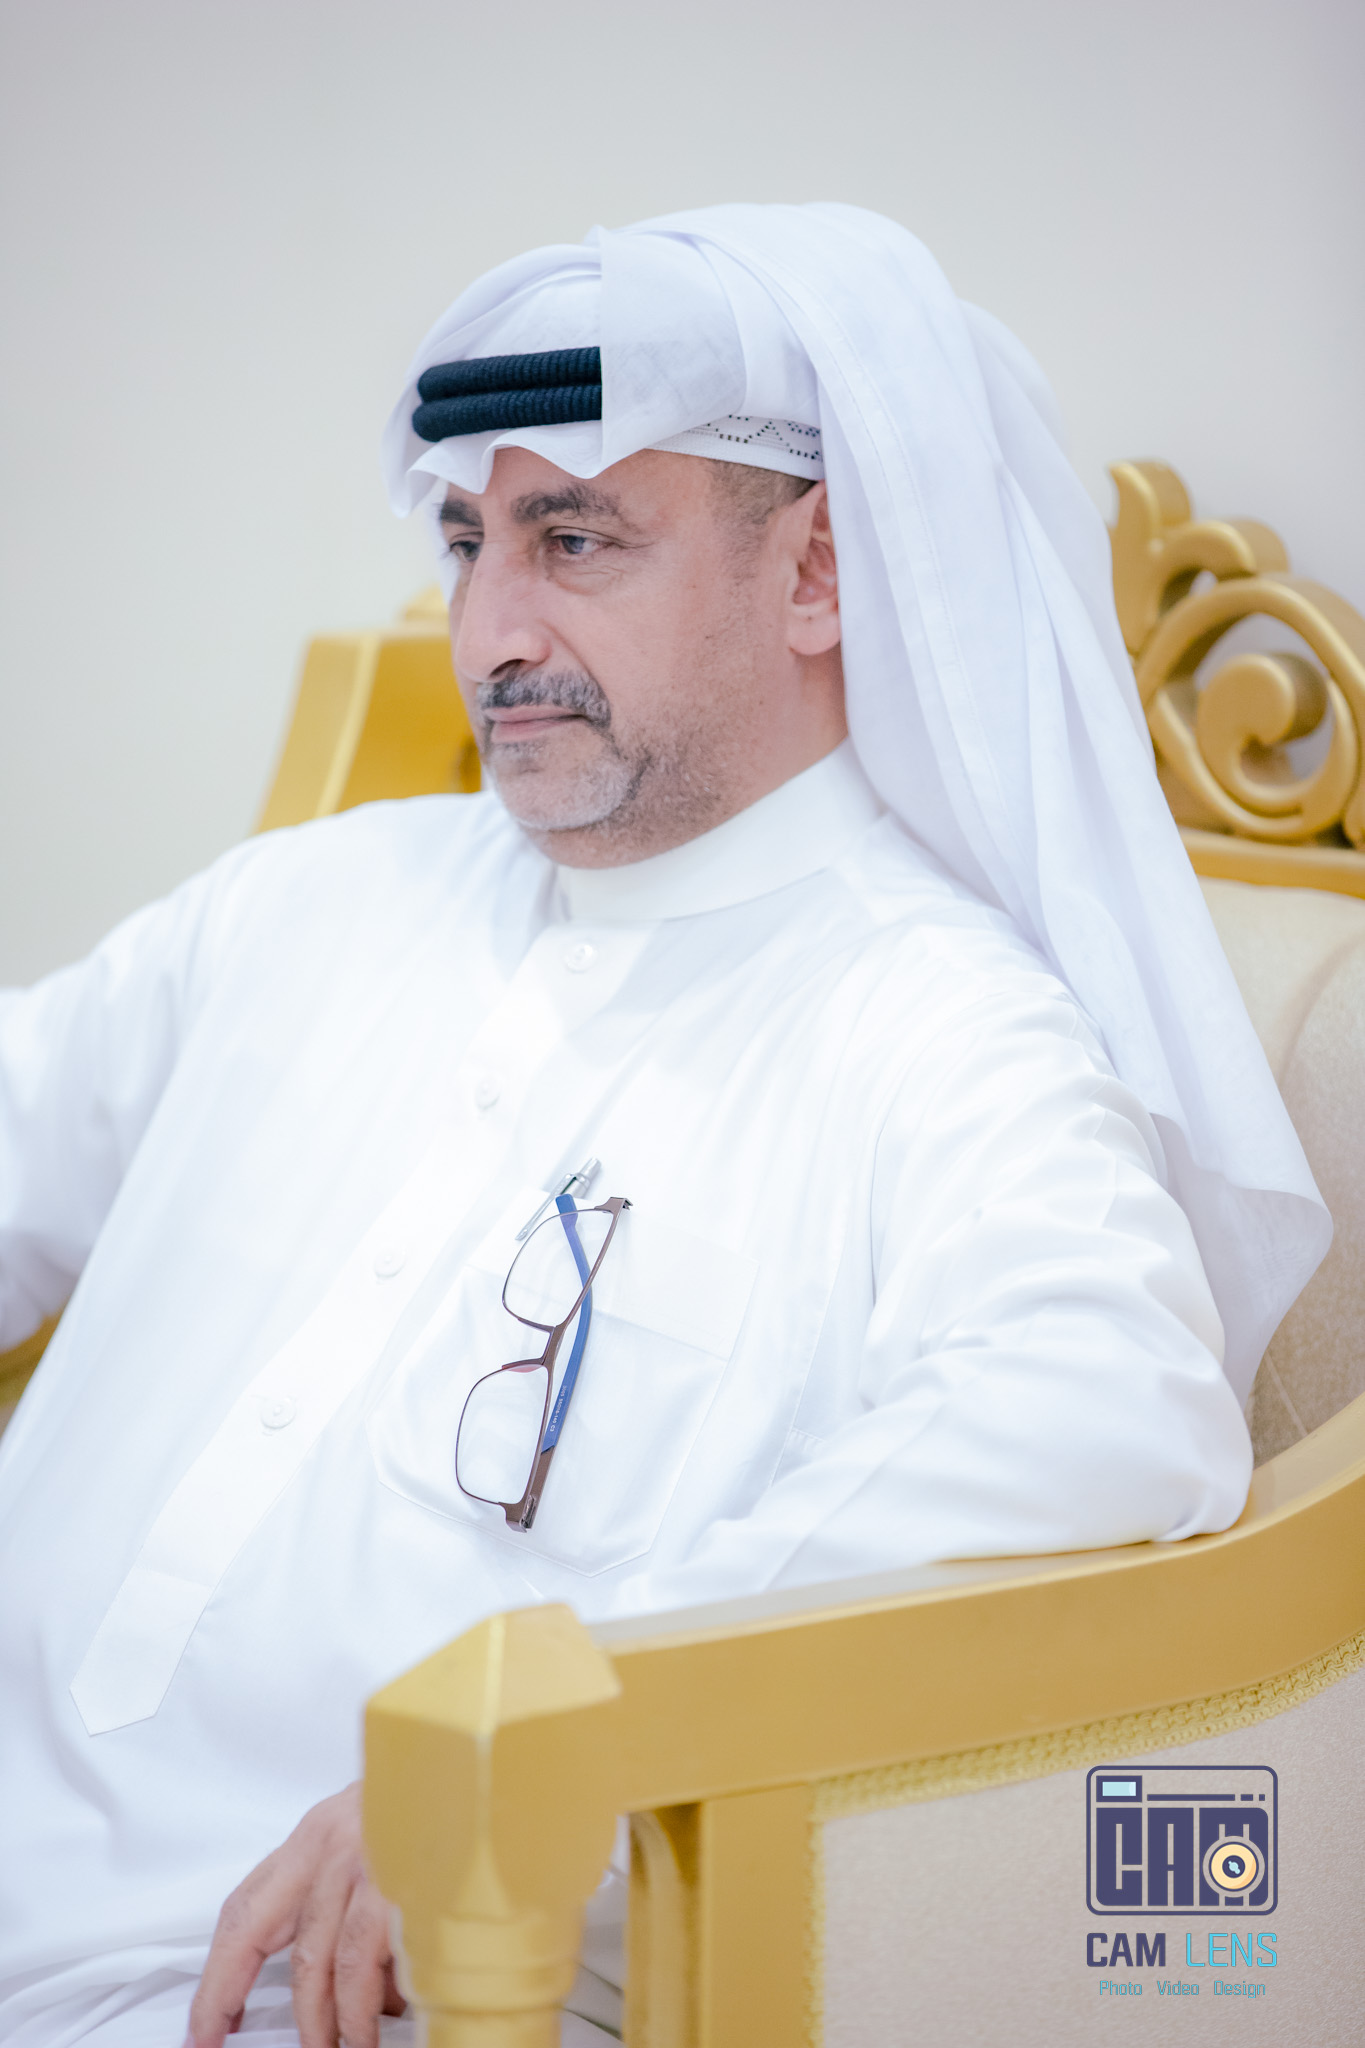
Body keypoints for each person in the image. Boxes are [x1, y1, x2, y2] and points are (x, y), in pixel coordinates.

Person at [0, 203, 1327, 2048]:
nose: (488, 630)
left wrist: (547, 1721)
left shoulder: (935, 1030)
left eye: (575, 539)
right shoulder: (309, 901)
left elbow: (1105, 1399)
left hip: (300, 1998)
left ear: (818, 572)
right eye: (468, 541)